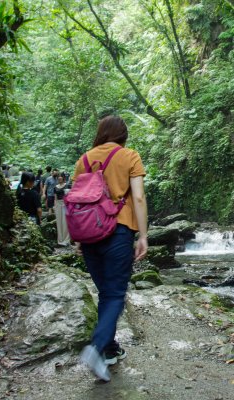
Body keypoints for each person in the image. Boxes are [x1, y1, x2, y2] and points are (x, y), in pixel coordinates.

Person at [76, 115, 148, 382]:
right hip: (118, 231)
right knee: (115, 294)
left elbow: (75, 202)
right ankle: (96, 348)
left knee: (106, 293)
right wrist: (143, 235)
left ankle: (109, 348)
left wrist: (77, 238)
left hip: (89, 234)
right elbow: (138, 196)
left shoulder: (83, 160)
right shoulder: (129, 156)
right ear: (122, 135)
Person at [53, 174, 70, 246]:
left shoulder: (67, 185)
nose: (59, 179)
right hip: (58, 204)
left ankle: (66, 240)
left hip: (65, 204)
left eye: (61, 178)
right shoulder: (55, 187)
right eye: (58, 178)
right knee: (59, 222)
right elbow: (55, 197)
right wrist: (55, 206)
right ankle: (60, 240)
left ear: (63, 178)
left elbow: (69, 196)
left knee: (65, 221)